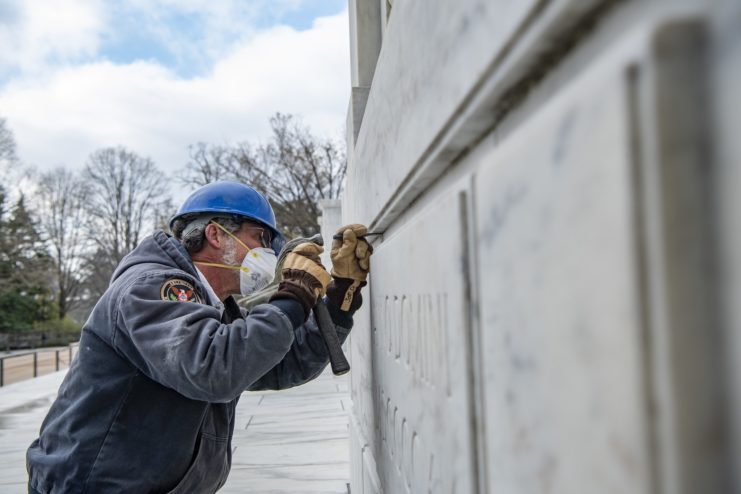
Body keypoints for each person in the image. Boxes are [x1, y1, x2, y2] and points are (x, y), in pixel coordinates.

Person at [26, 181, 372, 493]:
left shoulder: (212, 305)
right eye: (260, 238)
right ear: (216, 234)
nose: (268, 253)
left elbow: (284, 363)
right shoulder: (152, 288)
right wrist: (294, 294)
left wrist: (340, 297)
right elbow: (213, 367)